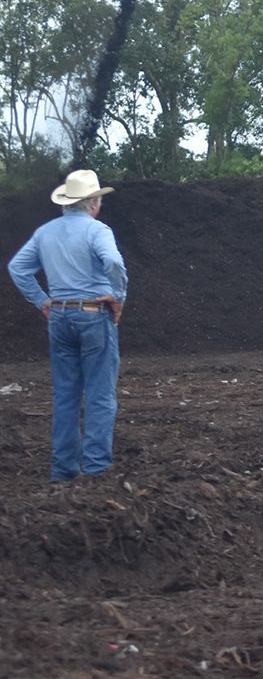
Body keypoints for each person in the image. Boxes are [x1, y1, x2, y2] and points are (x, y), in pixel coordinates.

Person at [7, 169, 129, 482]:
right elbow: (114, 263)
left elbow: (17, 268)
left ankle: (63, 471)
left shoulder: (44, 232)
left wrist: (42, 301)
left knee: (65, 395)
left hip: (59, 316)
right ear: (92, 203)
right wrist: (118, 295)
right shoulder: (97, 230)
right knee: (100, 394)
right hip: (93, 314)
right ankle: (96, 468)